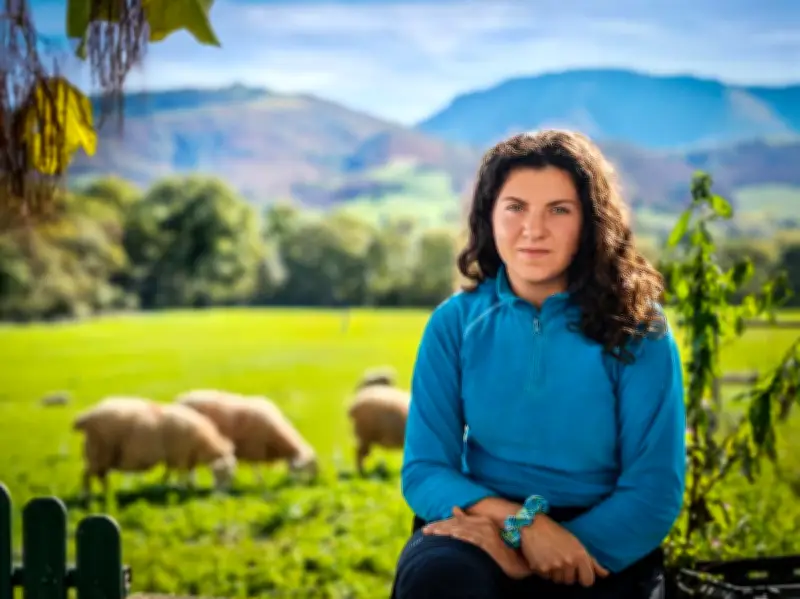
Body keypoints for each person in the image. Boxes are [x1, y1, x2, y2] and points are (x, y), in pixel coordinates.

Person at [390, 130, 686, 599]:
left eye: (559, 210)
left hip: (604, 536)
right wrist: (519, 528)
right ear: (489, 215)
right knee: (441, 581)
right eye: (516, 207)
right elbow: (425, 469)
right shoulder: (454, 324)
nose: (534, 229)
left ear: (589, 223)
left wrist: (552, 551)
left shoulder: (638, 327)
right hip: (480, 521)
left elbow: (654, 490)